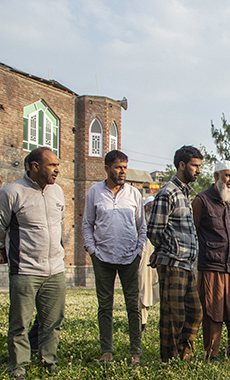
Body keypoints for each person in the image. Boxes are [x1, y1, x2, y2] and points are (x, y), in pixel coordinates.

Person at [0, 146, 66, 380]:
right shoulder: (12, 192)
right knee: (20, 323)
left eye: (57, 165)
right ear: (34, 167)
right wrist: (4, 250)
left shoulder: (58, 192)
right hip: (25, 269)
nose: (57, 170)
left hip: (55, 269)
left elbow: (59, 224)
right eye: (52, 165)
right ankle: (18, 366)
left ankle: (49, 361)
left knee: (53, 322)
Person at [82, 150, 146, 367]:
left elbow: (141, 226)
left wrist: (138, 251)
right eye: (118, 167)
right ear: (107, 168)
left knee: (133, 307)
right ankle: (106, 352)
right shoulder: (95, 192)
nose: (122, 171)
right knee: (104, 307)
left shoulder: (134, 194)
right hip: (102, 258)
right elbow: (87, 224)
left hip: (129, 258)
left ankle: (135, 353)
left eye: (125, 167)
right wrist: (92, 251)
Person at [147, 145, 203, 363]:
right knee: (173, 315)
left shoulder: (185, 193)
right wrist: (170, 249)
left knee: (195, 312)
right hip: (172, 262)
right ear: (181, 165)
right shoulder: (167, 192)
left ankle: (184, 350)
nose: (198, 170)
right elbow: (154, 230)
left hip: (187, 264)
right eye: (194, 166)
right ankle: (169, 358)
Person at [192, 160, 230, 361]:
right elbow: (193, 232)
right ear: (216, 176)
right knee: (213, 312)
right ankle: (212, 354)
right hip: (211, 265)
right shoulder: (201, 201)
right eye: (227, 176)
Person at [138, 196, 159, 329]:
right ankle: (142, 321)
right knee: (142, 288)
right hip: (143, 260)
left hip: (157, 257)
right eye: (149, 206)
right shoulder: (141, 224)